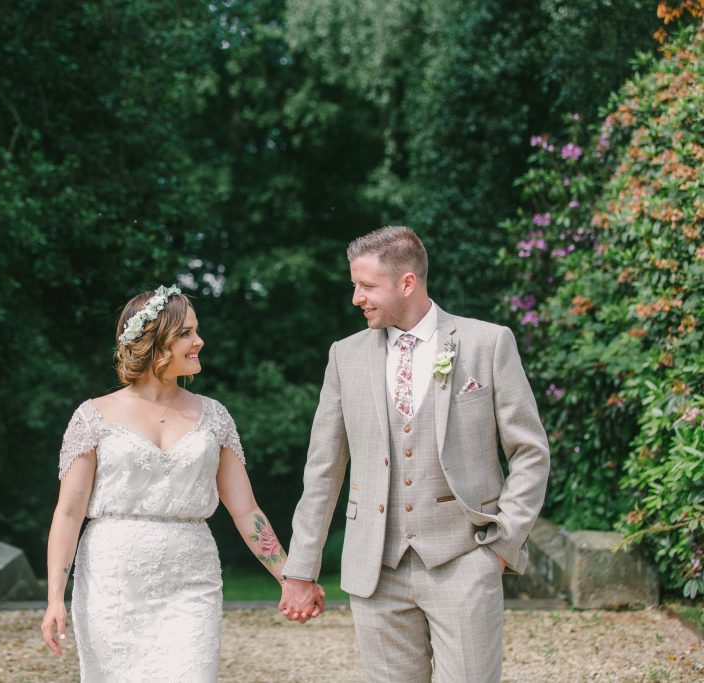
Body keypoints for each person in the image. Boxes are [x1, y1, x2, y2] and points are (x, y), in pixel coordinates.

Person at [279, 226, 550, 682]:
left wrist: (502, 546)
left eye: (366, 286)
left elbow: (529, 451)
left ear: (407, 283)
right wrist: (301, 570)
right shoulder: (344, 356)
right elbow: (323, 471)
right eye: (354, 285)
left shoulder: (488, 343)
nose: (356, 298)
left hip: (465, 561)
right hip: (376, 572)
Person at [40, 285, 324, 681]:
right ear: (154, 342)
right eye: (186, 333)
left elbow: (246, 510)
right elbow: (69, 512)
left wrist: (290, 577)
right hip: (111, 583)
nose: (199, 341)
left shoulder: (215, 417)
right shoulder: (93, 417)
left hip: (192, 582)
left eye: (197, 330)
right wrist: (55, 597)